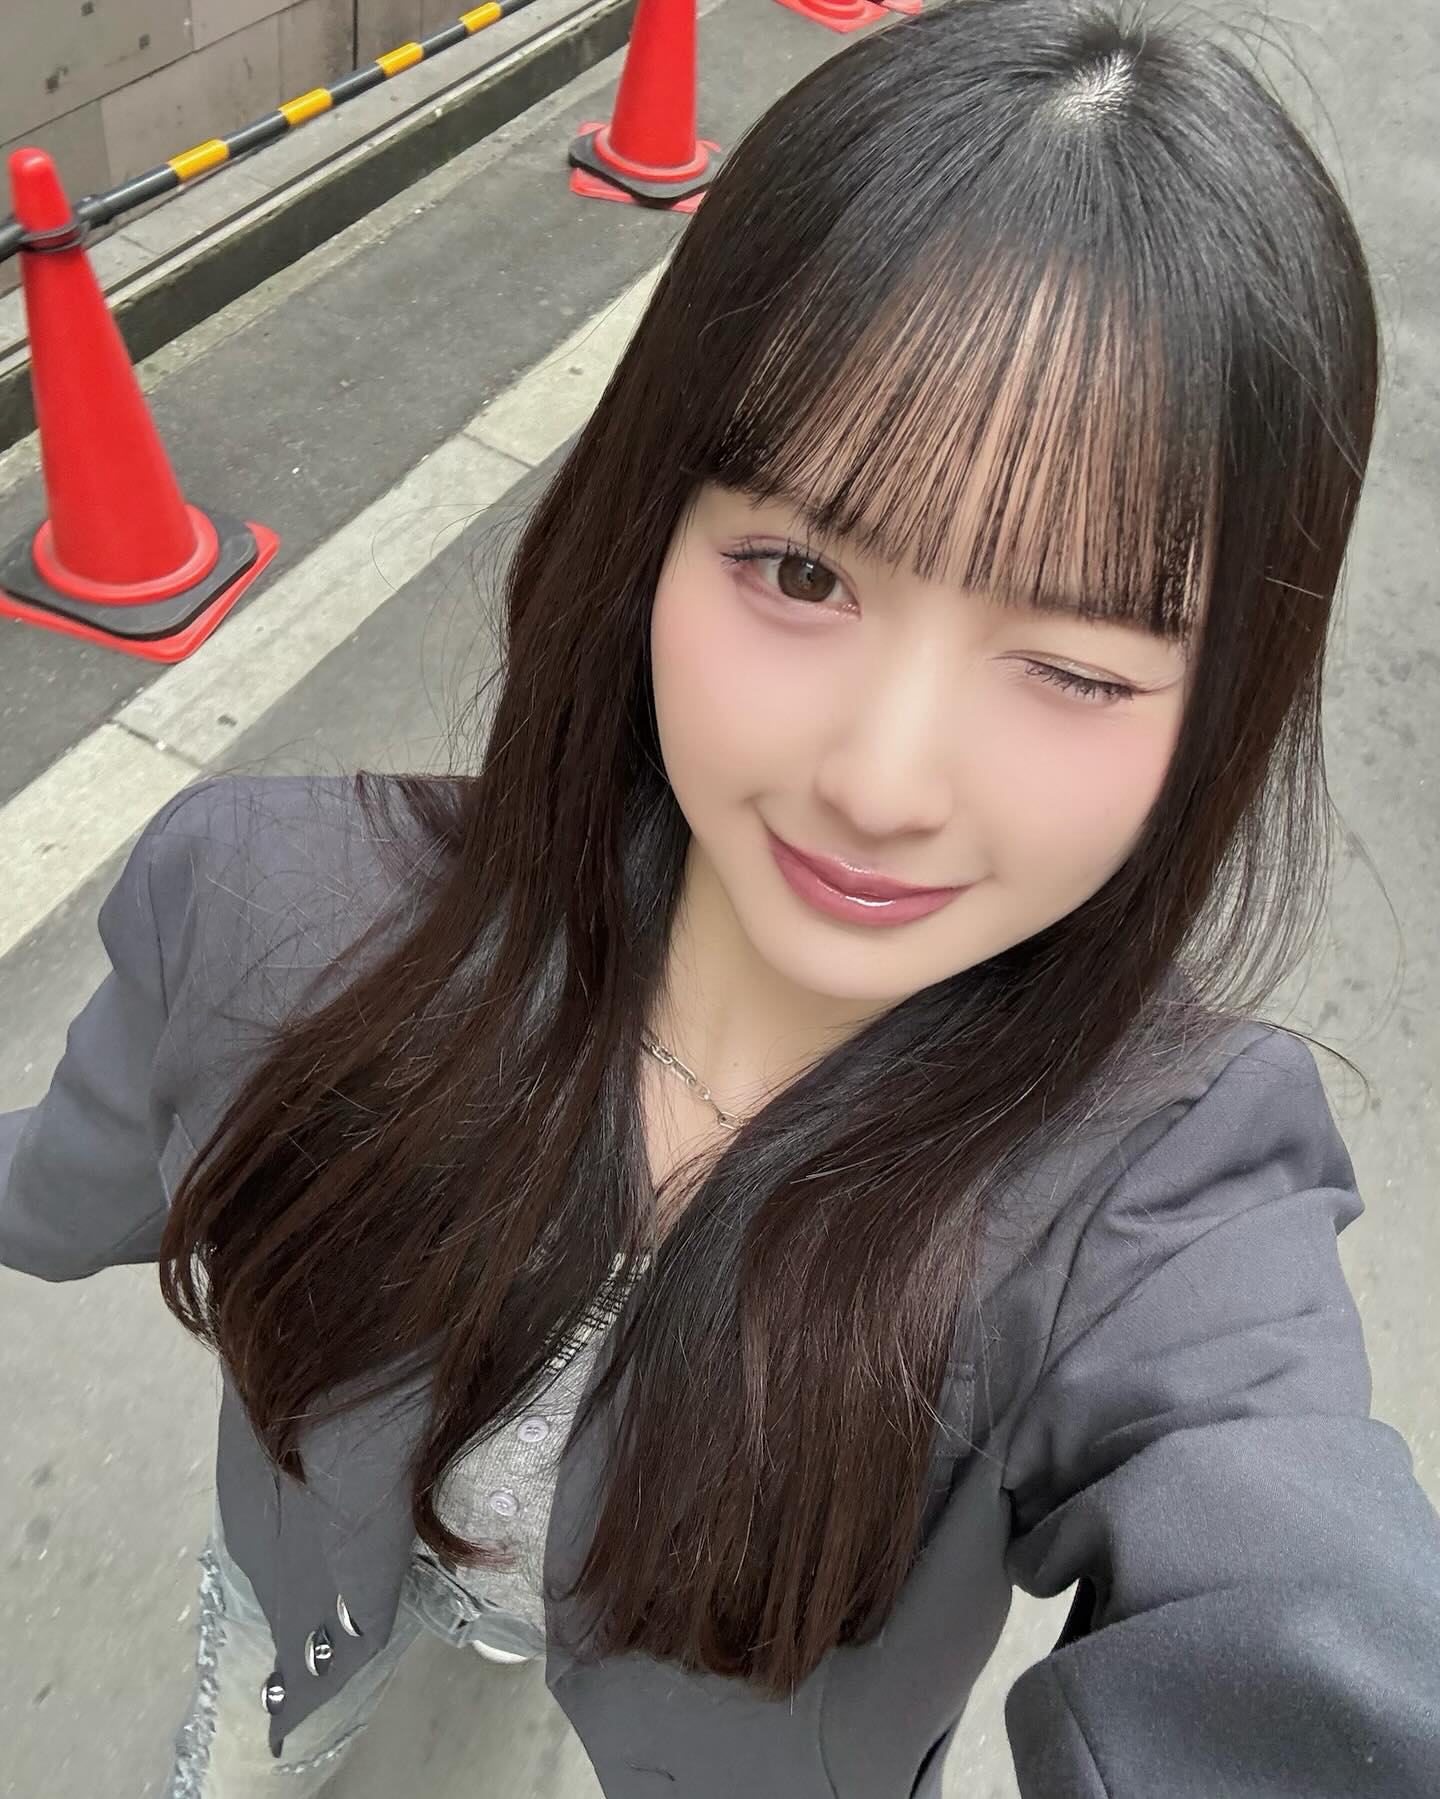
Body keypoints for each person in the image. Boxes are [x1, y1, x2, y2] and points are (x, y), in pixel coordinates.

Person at [3, 0, 1438, 1793]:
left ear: (1214, 712)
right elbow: (73, 1167)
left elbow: (1292, 1585)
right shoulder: (274, 913)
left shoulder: (1159, 1193)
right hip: (314, 1612)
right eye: (801, 572)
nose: (883, 783)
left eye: (1073, 667)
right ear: (652, 528)